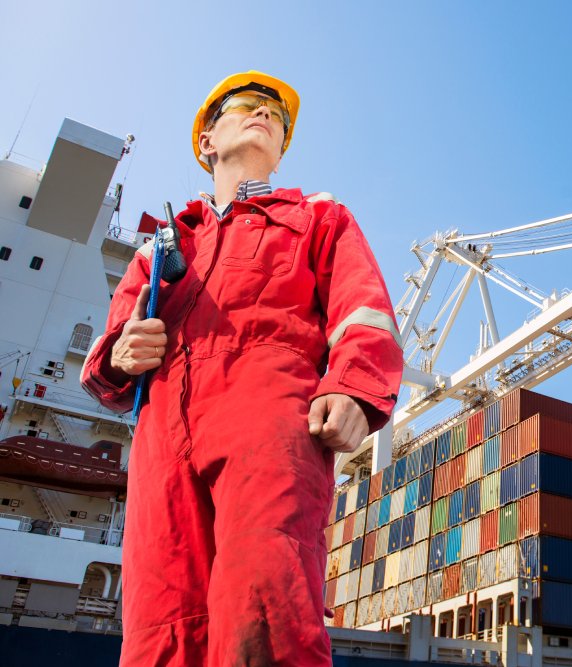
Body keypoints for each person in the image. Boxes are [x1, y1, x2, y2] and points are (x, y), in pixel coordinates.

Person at [82, 70, 403, 666]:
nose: (265, 114)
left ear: (280, 154)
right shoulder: (160, 249)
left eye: (276, 117)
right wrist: (119, 356)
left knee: (267, 599)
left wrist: (355, 390)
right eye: (246, 105)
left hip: (269, 415)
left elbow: (364, 312)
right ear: (206, 141)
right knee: (162, 621)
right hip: (162, 439)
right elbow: (106, 364)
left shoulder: (319, 215)